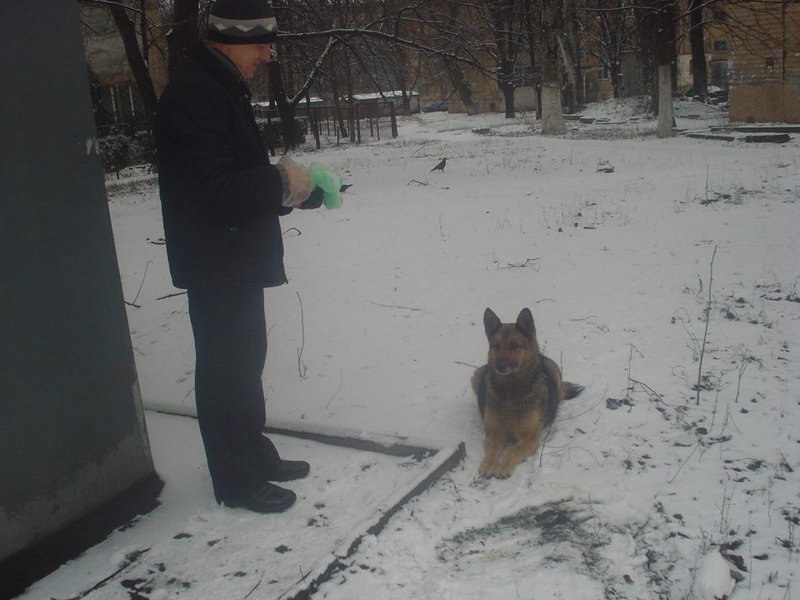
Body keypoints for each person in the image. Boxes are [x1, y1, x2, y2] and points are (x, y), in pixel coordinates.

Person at [155, 0, 322, 513]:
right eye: (261, 44)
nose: (267, 55)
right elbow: (213, 187)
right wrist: (278, 182)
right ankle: (235, 479)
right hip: (216, 260)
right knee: (227, 371)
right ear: (232, 38)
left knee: (245, 363)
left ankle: (254, 454)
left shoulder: (219, 88)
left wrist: (298, 192)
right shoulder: (195, 95)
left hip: (232, 255)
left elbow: (234, 175)